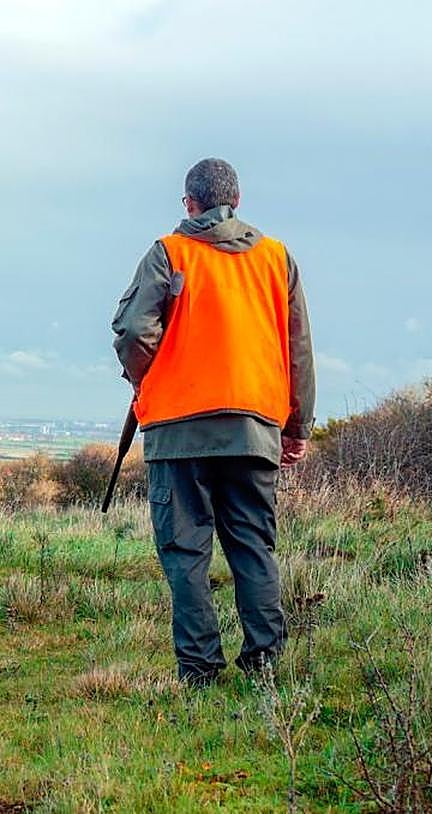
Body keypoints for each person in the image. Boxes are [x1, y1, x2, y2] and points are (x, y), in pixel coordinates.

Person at [111, 158, 315, 687]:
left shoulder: (168, 253)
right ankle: (265, 666)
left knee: (185, 553)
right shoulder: (276, 258)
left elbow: (135, 332)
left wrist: (142, 379)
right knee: (253, 546)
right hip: (255, 428)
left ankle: (200, 672)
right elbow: (299, 351)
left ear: (189, 203)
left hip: (178, 430)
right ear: (239, 200)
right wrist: (297, 428)